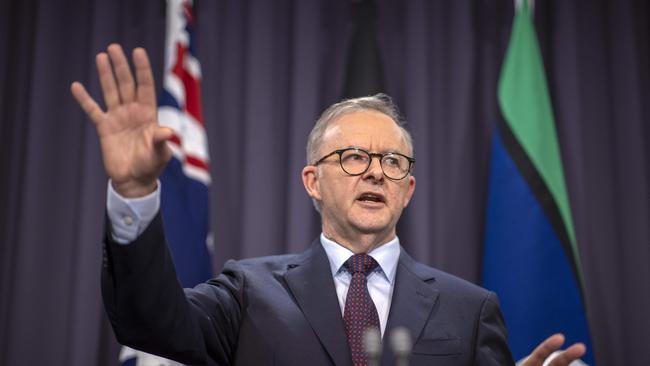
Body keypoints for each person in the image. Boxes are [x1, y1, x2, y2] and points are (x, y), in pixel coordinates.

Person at [71, 44, 587, 366]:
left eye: (392, 163)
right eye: (354, 156)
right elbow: (148, 322)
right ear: (312, 181)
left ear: (407, 190)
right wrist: (135, 193)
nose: (374, 171)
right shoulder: (249, 293)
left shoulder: (471, 310)